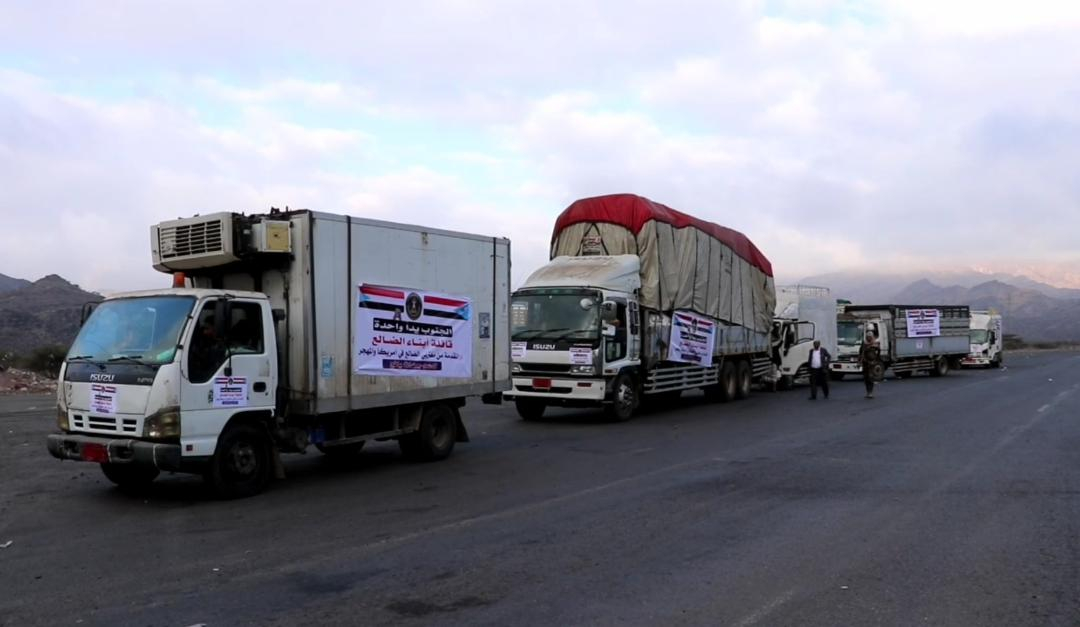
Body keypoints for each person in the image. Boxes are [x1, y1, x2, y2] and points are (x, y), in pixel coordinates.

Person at [859, 332, 881, 399]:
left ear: (872, 337)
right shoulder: (864, 343)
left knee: (871, 378)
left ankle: (870, 392)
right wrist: (860, 361)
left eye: (870, 337)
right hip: (865, 362)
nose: (869, 338)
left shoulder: (875, 343)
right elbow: (861, 352)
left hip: (872, 363)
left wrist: (876, 359)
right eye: (868, 337)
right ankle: (868, 392)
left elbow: (878, 351)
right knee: (866, 378)